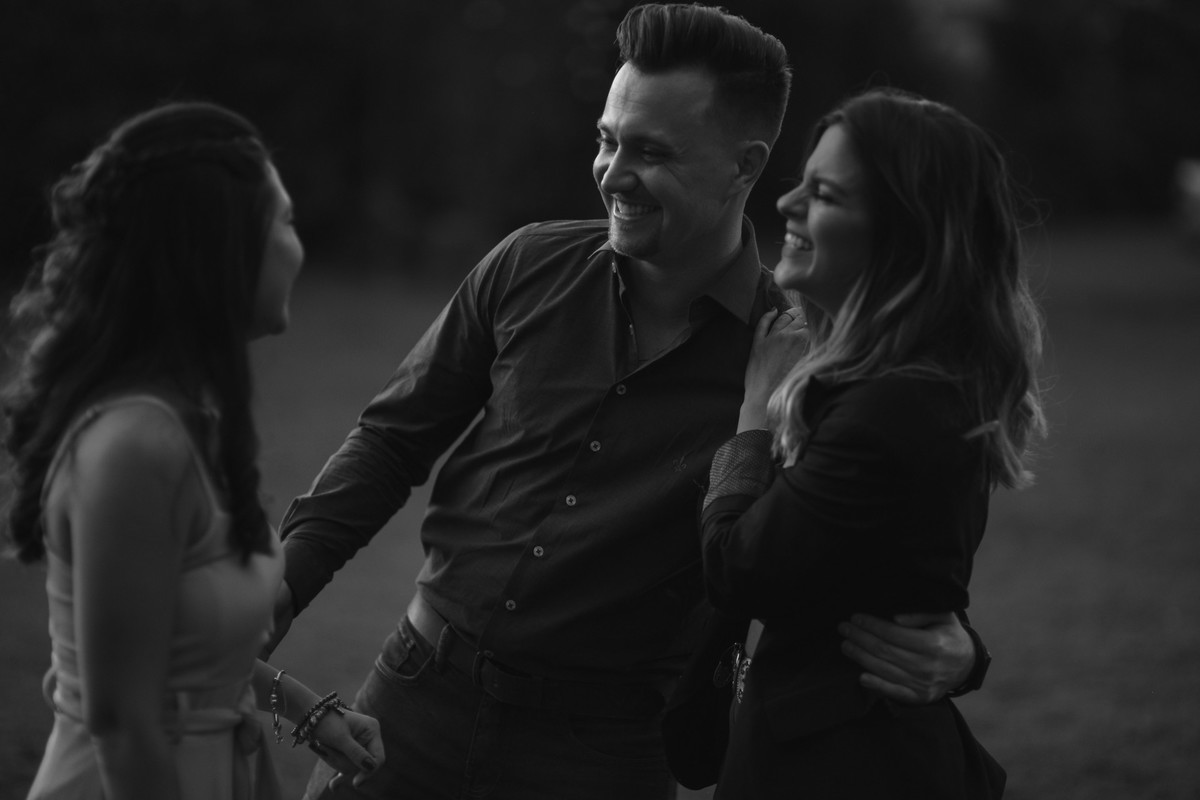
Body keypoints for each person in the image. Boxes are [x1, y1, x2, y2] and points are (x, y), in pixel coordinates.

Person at [271, 6, 983, 799]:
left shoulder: (797, 360)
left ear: (744, 167)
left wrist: (958, 648)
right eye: (608, 139)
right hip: (410, 701)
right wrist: (276, 591)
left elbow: (872, 538)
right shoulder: (526, 264)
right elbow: (390, 441)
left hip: (604, 756)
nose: (612, 173)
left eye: (651, 151)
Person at [2, 101, 385, 800]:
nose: (299, 248)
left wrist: (302, 706)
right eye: (286, 222)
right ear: (220, 250)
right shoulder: (135, 448)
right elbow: (122, 722)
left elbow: (178, 655)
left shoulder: (185, 426)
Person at [700, 87, 1047, 798]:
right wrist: (966, 653)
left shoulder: (890, 408)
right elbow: (891, 571)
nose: (785, 203)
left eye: (824, 194)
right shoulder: (919, 382)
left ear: (903, 237)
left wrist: (754, 414)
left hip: (844, 765)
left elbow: (737, 570)